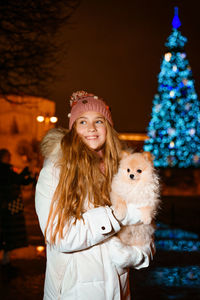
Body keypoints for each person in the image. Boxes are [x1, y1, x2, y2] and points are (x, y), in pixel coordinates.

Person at [35, 91, 155, 300]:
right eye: (82, 121)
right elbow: (61, 237)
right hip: (72, 292)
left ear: (107, 127)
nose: (91, 128)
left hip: (118, 291)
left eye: (98, 121)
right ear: (73, 129)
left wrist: (134, 256)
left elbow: (145, 231)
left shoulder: (124, 170)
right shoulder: (55, 172)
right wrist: (118, 215)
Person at [0, 148, 33, 274]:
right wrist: (24, 174)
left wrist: (25, 175)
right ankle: (5, 262)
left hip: (7, 207)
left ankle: (6, 260)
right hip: (7, 207)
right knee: (7, 234)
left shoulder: (6, 169)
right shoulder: (4, 169)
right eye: (8, 156)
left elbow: (19, 180)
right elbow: (16, 180)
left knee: (7, 235)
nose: (10, 158)